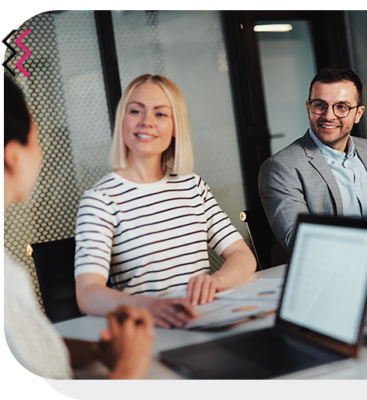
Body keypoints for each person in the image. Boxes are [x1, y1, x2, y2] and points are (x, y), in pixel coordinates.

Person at [74, 74, 256, 329]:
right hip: (149, 329)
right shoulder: (100, 200)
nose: (146, 122)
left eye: (160, 114)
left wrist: (217, 282)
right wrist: (148, 306)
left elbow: (242, 255)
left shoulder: (193, 185)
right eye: (136, 111)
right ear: (122, 121)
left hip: (204, 320)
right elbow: (88, 293)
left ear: (175, 127)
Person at [3, 74, 154, 379]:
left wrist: (98, 352)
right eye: (38, 138)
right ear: (13, 156)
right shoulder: (100, 198)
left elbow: (28, 346)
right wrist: (129, 369)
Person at [259, 66, 367, 254]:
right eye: (320, 105)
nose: (328, 116)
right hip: (329, 275)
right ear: (308, 108)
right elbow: (300, 243)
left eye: (341, 106)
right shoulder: (281, 168)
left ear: (358, 114)